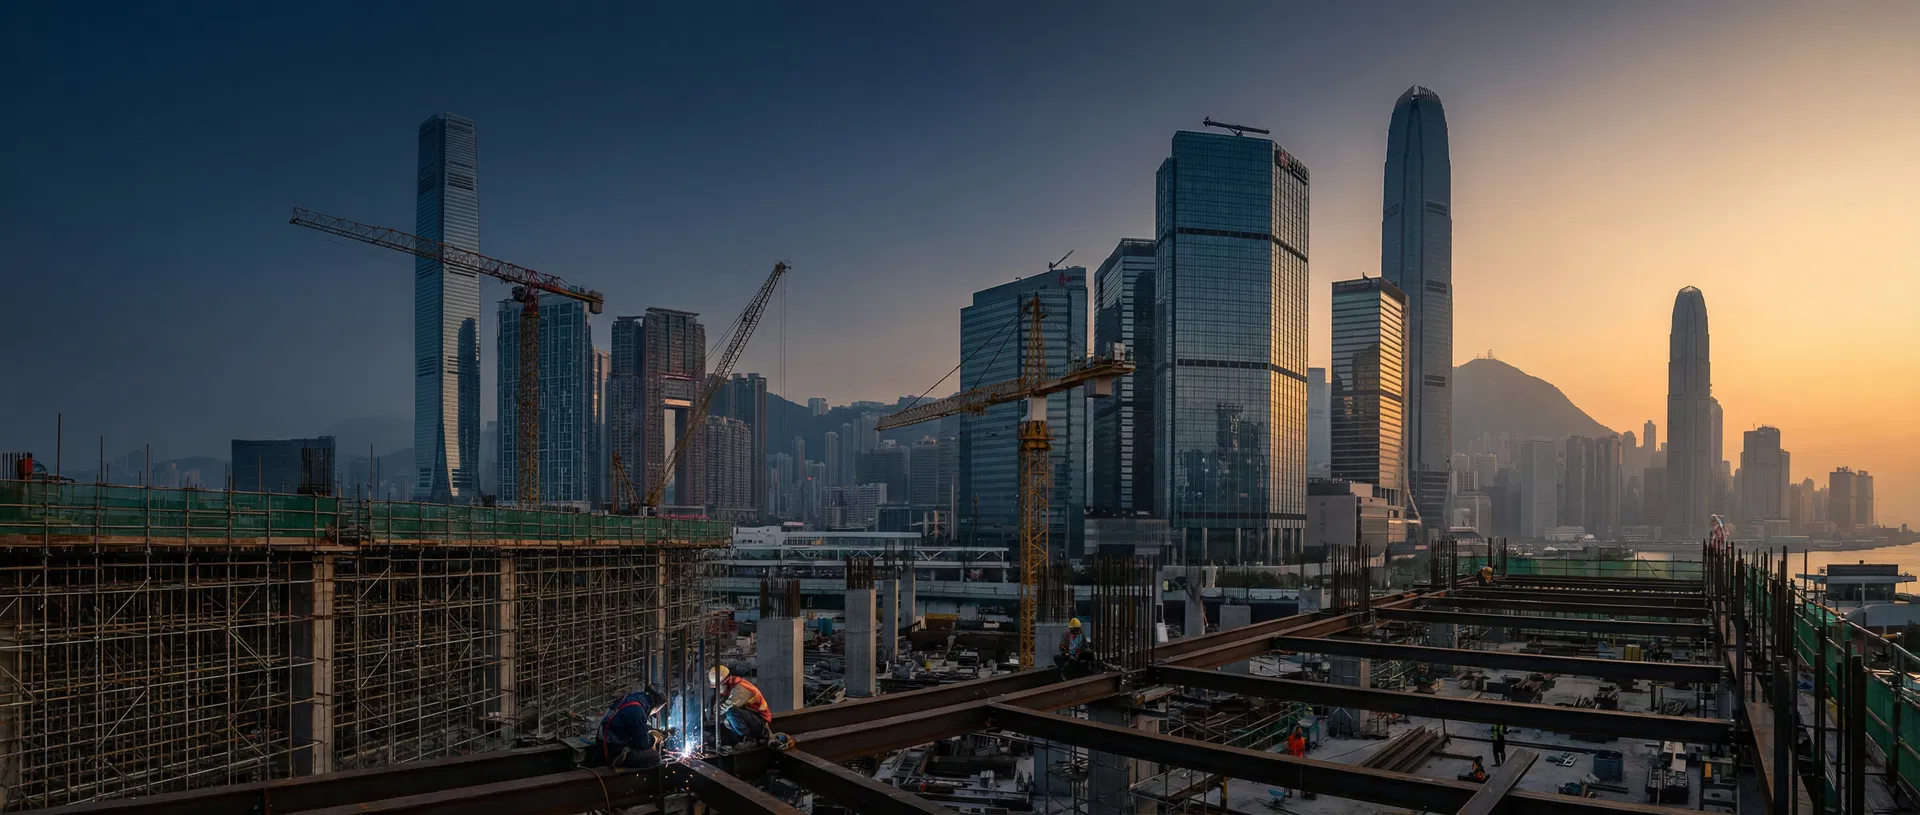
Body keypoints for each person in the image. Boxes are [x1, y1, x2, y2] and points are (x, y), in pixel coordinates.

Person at [597, 686, 669, 768]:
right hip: (613, 750)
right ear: (655, 705)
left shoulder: (633, 699)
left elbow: (638, 726)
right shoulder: (637, 711)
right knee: (654, 756)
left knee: (646, 729)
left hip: (604, 741)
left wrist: (653, 731)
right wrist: (654, 739)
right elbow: (642, 743)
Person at [708, 665, 772, 750]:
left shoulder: (741, 688)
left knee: (730, 713)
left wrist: (716, 710)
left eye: (718, 686)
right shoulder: (731, 686)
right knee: (728, 718)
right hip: (751, 718)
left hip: (760, 723)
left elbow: (727, 705)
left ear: (725, 681)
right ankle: (739, 740)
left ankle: (749, 740)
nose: (717, 689)